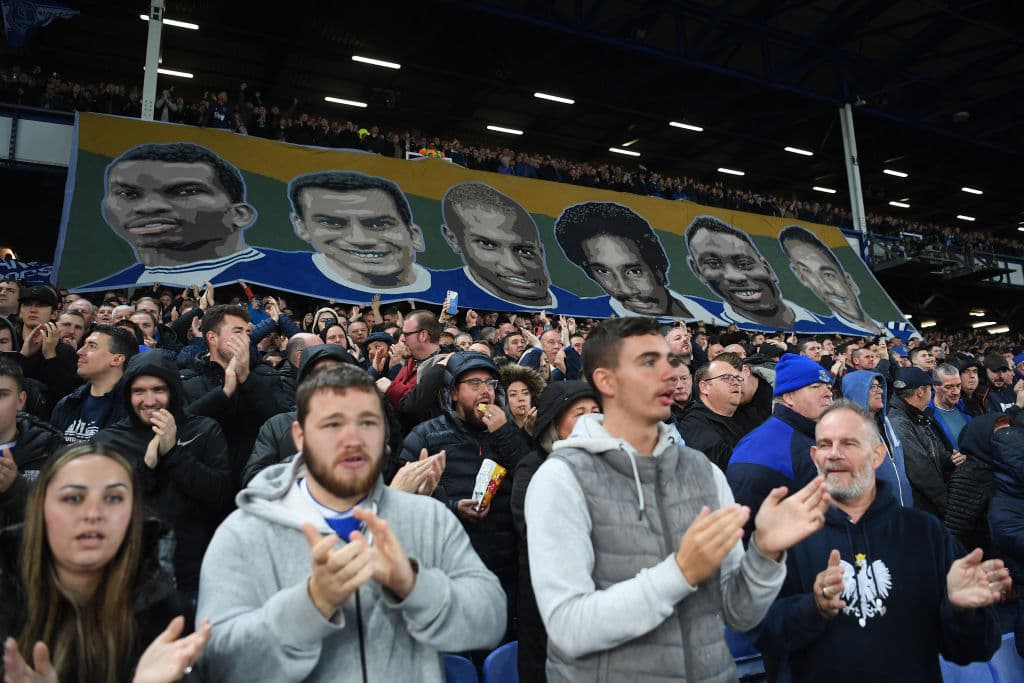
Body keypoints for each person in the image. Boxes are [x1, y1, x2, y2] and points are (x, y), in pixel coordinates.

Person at [525, 317, 831, 682]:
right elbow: (569, 627)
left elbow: (739, 615)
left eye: (670, 360)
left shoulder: (702, 472)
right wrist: (680, 573)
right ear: (606, 381)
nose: (671, 373)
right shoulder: (561, 479)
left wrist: (764, 555)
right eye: (648, 363)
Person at [196, 364, 506, 682]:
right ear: (299, 437)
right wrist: (312, 603)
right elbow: (217, 662)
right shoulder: (245, 532)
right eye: (332, 424)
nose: (353, 439)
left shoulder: (428, 517)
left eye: (368, 423)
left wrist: (413, 585)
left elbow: (490, 619)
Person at [755, 400, 1008, 683]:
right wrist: (813, 607)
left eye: (848, 443)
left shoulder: (925, 533)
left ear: (877, 455)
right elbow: (763, 636)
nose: (834, 455)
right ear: (814, 456)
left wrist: (962, 610)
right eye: (825, 445)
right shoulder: (788, 535)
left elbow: (976, 647)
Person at [0, 442, 212, 683]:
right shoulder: (6, 598)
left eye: (113, 498)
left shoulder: (167, 613)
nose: (93, 513)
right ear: (41, 508)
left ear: (133, 514)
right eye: (73, 498)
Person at [399, 352, 531, 633]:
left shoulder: (508, 432)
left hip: (504, 568)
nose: (485, 391)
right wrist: (451, 506)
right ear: (454, 394)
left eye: (490, 384)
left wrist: (505, 433)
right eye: (474, 383)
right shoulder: (425, 435)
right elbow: (401, 498)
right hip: (449, 570)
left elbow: (532, 480)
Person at [92, 352, 232, 595]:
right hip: (127, 570)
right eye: (138, 391)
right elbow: (100, 506)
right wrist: (145, 467)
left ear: (174, 391)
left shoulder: (205, 429)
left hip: (193, 568)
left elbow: (220, 495)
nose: (149, 400)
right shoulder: (107, 440)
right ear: (127, 395)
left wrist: (173, 454)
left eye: (158, 389)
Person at [78, 143, 267, 290]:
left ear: (239, 214)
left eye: (185, 192)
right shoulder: (106, 288)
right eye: (128, 194)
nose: (148, 207)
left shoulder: (287, 274)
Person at [510, 380, 600, 683]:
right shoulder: (533, 469)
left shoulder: (609, 465)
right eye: (579, 413)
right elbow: (538, 536)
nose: (591, 420)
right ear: (554, 422)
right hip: (550, 611)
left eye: (596, 411)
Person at [269, 170, 434, 296]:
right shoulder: (275, 274)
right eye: (332, 223)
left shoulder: (450, 289)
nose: (360, 240)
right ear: (302, 228)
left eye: (379, 224)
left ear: (414, 236)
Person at [554, 201, 717, 321]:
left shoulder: (718, 313)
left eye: (633, 271)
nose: (625, 290)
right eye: (603, 272)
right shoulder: (585, 312)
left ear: (658, 265)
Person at [728, 353, 834, 537]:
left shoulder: (813, 435)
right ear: (789, 397)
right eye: (816, 387)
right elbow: (741, 529)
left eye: (828, 386)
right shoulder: (764, 447)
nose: (828, 393)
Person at [685, 216, 826, 330]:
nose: (735, 277)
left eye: (744, 264)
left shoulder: (824, 323)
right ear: (698, 271)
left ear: (768, 268)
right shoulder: (709, 320)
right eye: (713, 264)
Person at [441, 182, 563, 308]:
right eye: (487, 244)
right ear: (453, 239)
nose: (515, 267)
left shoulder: (575, 305)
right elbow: (448, 315)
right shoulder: (445, 289)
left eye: (525, 252)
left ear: (541, 252)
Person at [778, 225, 885, 335]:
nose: (826, 288)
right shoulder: (818, 324)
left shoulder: (895, 327)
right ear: (801, 278)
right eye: (807, 272)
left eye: (828, 275)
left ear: (850, 283)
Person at [887, 367, 959, 520]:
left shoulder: (917, 415)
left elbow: (937, 452)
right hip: (922, 509)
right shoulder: (899, 422)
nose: (931, 393)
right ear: (920, 391)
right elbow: (920, 470)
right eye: (929, 389)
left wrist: (952, 460)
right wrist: (948, 506)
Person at [0, 357, 64, 526]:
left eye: (1, 395)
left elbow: (62, 517)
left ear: (21, 400)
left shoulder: (50, 447)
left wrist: (16, 488)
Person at [50, 325, 137, 443]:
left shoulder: (132, 408)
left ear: (117, 360)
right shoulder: (67, 403)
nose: (80, 352)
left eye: (92, 346)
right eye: (84, 345)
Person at [840, 370, 912, 507]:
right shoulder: (849, 432)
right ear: (857, 392)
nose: (880, 391)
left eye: (880, 386)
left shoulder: (887, 423)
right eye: (872, 387)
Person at [676, 356, 746, 471]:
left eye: (737, 378)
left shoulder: (743, 416)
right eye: (727, 377)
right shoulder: (694, 426)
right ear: (705, 387)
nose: (736, 383)